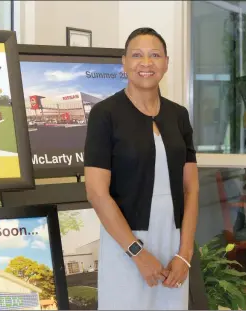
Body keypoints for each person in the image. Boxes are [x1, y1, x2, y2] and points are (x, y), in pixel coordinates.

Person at [84, 27, 199, 310]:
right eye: (137, 55)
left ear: (166, 63)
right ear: (123, 62)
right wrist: (137, 252)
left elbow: (191, 188)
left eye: (154, 55)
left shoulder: (178, 115)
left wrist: (184, 254)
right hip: (125, 242)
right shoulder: (105, 114)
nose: (146, 63)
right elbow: (97, 193)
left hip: (174, 241)